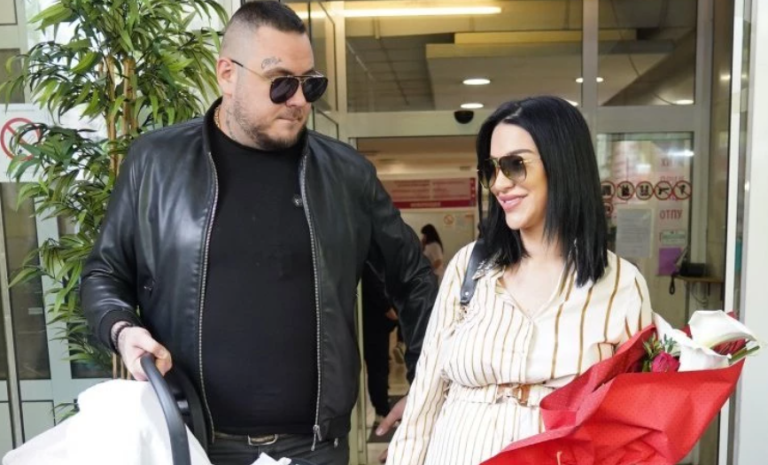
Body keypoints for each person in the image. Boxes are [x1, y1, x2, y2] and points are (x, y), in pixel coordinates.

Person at [80, 3, 437, 465]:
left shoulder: (347, 175)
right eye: (281, 82)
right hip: (190, 444)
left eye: (311, 84)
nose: (299, 100)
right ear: (227, 74)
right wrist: (122, 330)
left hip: (315, 450)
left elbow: (415, 279)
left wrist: (426, 387)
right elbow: (104, 272)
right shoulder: (156, 164)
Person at [386, 96, 654, 465]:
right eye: (491, 169)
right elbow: (425, 397)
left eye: (515, 165)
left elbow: (632, 423)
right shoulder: (470, 267)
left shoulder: (622, 284)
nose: (499, 184)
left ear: (562, 163)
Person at [361, 263, 399, 425]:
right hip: (374, 325)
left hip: (372, 323)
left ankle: (381, 406)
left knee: (379, 367)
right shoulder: (367, 266)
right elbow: (377, 291)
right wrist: (391, 313)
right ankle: (381, 410)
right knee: (378, 368)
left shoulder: (368, 264)